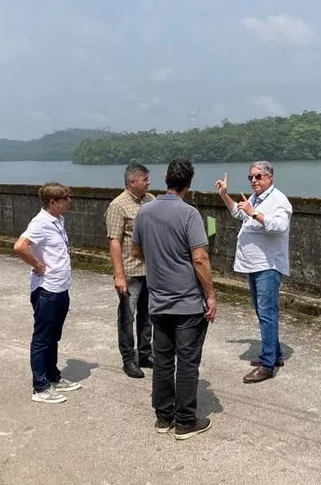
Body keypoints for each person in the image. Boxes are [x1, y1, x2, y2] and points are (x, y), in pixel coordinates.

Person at [132, 158, 217, 440]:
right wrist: (211, 295)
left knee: (163, 359)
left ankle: (163, 416)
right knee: (188, 361)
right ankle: (185, 421)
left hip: (158, 300)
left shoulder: (144, 212)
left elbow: (136, 252)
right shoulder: (189, 214)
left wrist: (159, 262)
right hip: (188, 302)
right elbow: (200, 258)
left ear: (166, 178)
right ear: (189, 184)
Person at [214, 161, 292, 384]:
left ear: (270, 177)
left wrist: (254, 213)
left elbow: (279, 226)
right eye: (251, 177)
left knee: (267, 314)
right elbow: (239, 214)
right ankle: (275, 354)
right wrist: (224, 195)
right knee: (263, 312)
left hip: (268, 265)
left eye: (258, 176)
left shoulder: (279, 200)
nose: (254, 181)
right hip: (254, 264)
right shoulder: (257, 199)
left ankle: (267, 365)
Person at [13, 182, 82, 404]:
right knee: (42, 338)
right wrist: (38, 265)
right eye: (66, 198)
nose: (69, 201)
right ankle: (40, 386)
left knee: (54, 336)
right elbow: (20, 246)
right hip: (47, 289)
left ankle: (53, 375)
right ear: (53, 202)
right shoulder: (40, 222)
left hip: (61, 286)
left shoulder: (58, 220)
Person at [105, 162, 155, 379]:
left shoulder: (151, 201)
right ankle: (128, 358)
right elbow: (114, 241)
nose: (148, 182)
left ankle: (145, 352)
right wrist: (119, 275)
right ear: (133, 181)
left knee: (148, 315)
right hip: (130, 271)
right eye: (145, 179)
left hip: (150, 269)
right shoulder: (118, 205)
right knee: (127, 316)